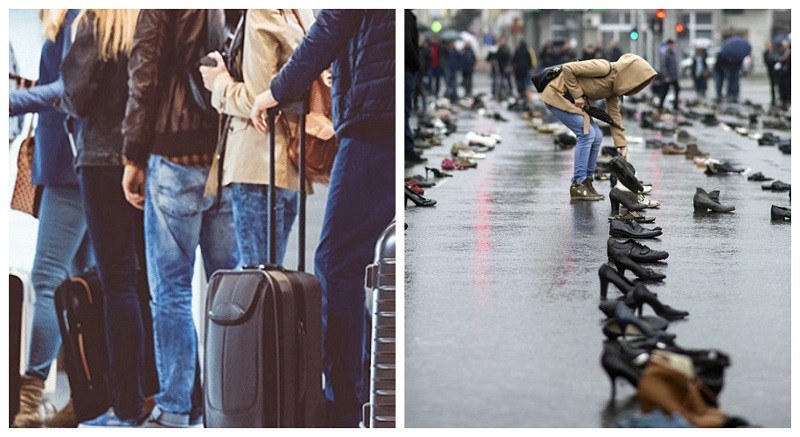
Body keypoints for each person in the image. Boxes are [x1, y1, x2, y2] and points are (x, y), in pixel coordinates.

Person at [249, 9, 395, 427]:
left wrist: (276, 91)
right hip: (381, 108)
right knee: (368, 260)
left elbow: (332, 24)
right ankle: (368, 394)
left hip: (373, 118)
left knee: (337, 262)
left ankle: (345, 406)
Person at [121, 9, 239, 427]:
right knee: (229, 288)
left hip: (174, 153)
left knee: (170, 290)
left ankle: (173, 410)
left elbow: (145, 73)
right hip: (228, 152)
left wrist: (133, 154)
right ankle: (232, 405)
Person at [60, 9, 158, 426]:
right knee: (147, 283)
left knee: (117, 282)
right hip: (150, 159)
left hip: (101, 160)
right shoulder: (153, 20)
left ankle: (127, 406)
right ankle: (164, 396)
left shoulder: (97, 20)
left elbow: (77, 95)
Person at [9, 9, 95, 428]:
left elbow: (68, 87)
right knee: (82, 283)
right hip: (73, 165)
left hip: (69, 168)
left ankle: (30, 399)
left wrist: (12, 100)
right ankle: (89, 395)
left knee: (48, 279)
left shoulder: (78, 16)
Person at [198, 9, 316, 267]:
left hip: (257, 159)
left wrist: (219, 83)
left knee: (257, 279)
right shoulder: (301, 11)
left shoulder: (261, 10)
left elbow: (259, 99)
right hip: (290, 160)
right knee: (272, 278)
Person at [541, 53, 656, 200]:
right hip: (557, 95)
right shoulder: (604, 67)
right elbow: (568, 68)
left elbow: (614, 117)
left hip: (571, 102)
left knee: (597, 136)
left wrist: (621, 145)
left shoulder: (614, 89)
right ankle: (578, 184)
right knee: (587, 134)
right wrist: (577, 95)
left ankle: (588, 182)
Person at [405, 10, 426, 163]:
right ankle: (407, 149)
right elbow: (406, 43)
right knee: (403, 112)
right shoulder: (404, 15)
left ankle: (407, 147)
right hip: (406, 69)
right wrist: (416, 64)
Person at [658, 39, 680, 111]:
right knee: (664, 91)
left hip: (673, 76)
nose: (672, 46)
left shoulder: (672, 53)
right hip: (668, 77)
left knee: (677, 89)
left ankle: (675, 106)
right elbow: (664, 66)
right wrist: (666, 76)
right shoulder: (666, 54)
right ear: (668, 45)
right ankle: (660, 106)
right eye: (671, 44)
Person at [775, 39, 791, 109]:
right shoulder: (781, 51)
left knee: (787, 88)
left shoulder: (789, 52)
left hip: (788, 74)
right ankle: (783, 100)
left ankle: (788, 100)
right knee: (781, 87)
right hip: (781, 73)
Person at [763, 41, 778, 107]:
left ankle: (778, 98)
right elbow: (766, 61)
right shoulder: (765, 53)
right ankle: (773, 99)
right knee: (772, 86)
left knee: (778, 85)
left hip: (777, 71)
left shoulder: (775, 52)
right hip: (770, 70)